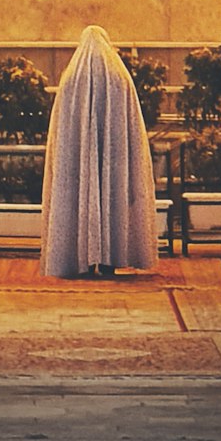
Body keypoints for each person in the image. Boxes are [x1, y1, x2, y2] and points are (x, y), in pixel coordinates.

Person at [40, 25, 159, 279]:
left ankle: (80, 260)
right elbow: (134, 130)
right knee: (112, 200)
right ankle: (109, 261)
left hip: (76, 164)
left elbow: (60, 132)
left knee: (80, 198)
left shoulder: (72, 78)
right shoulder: (120, 77)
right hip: (115, 161)